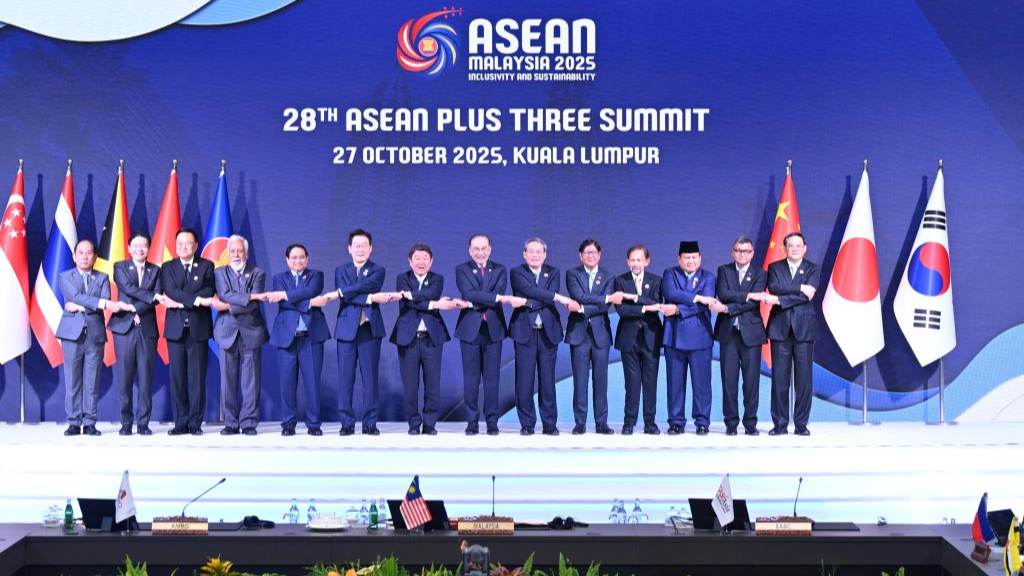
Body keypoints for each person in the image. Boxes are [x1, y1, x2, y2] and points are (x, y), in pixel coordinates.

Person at [320, 229, 398, 436]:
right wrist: (370, 298)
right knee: (346, 379)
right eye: (357, 245)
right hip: (346, 330)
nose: (360, 249)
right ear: (349, 249)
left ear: (371, 248)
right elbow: (349, 298)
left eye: (364, 245)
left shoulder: (378, 270)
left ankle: (370, 423)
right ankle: (346, 422)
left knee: (370, 378)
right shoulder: (341, 270)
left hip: (369, 329)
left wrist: (341, 292)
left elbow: (366, 286)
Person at [390, 244, 467, 435]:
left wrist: (413, 296)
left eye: (425, 258)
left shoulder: (437, 279)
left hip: (432, 337)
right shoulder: (402, 278)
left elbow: (430, 294)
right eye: (417, 258)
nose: (421, 261)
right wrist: (435, 305)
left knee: (432, 383)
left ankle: (430, 424)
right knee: (410, 385)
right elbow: (410, 303)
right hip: (407, 338)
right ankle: (414, 425)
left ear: (431, 261)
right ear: (410, 261)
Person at [454, 234, 526, 436]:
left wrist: (476, 300)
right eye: (476, 249)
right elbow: (469, 293)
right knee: (471, 379)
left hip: (493, 329)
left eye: (483, 248)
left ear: (490, 249)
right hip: (469, 330)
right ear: (470, 251)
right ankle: (472, 422)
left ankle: (492, 422)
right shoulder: (462, 269)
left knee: (492, 378)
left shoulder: (500, 269)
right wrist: (496, 298)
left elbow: (485, 296)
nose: (480, 252)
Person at [56, 239, 128, 436]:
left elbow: (102, 300)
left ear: (95, 257)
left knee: (92, 381)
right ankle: (73, 422)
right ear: (74, 256)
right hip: (71, 335)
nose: (85, 257)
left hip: (95, 335)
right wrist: (98, 304)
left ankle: (89, 422)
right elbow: (80, 297)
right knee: (72, 381)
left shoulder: (103, 277)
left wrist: (79, 306)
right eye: (81, 253)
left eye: (89, 253)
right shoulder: (65, 276)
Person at [508, 237, 579, 436]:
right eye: (531, 251)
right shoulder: (516, 272)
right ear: (524, 254)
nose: (535, 255)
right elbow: (531, 290)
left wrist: (527, 302)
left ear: (545, 254)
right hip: (524, 333)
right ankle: (527, 424)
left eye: (539, 251)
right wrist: (556, 298)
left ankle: (549, 424)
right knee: (524, 380)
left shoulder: (553, 272)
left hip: (548, 332)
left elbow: (536, 295)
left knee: (548, 381)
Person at [752, 232, 819, 436]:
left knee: (804, 380)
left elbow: (808, 296)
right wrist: (799, 287)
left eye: (799, 246)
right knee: (779, 380)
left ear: (805, 248)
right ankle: (779, 424)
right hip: (780, 329)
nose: (795, 249)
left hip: (804, 329)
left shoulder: (813, 268)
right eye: (791, 246)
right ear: (785, 248)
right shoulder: (775, 267)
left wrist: (780, 300)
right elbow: (775, 287)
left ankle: (801, 425)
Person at [266, 243, 330, 436]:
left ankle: (313, 424)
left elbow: (308, 291)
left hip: (311, 337)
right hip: (287, 337)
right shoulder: (279, 278)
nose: (298, 261)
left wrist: (287, 296)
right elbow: (286, 304)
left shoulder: (316, 276)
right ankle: (288, 423)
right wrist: (310, 302)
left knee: (312, 383)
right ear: (287, 260)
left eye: (301, 257)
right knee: (287, 384)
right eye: (293, 258)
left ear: (307, 258)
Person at [661, 240, 724, 435]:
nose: (690, 261)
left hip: (700, 336)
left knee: (702, 383)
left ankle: (702, 421)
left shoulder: (708, 277)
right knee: (674, 383)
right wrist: (697, 297)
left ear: (700, 258)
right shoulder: (670, 274)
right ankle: (676, 422)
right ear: (678, 259)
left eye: (694, 257)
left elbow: (705, 305)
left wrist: (678, 308)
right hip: (674, 336)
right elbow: (671, 293)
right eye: (686, 257)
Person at [564, 239, 626, 435]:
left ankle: (601, 423)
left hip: (600, 335)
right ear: (580, 255)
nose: (590, 256)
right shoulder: (572, 274)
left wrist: (582, 308)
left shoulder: (609, 276)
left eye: (594, 253)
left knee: (601, 381)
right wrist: (606, 298)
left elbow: (604, 306)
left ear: (600, 255)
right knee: (580, 381)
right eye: (587, 253)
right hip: (579, 334)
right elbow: (578, 295)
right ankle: (580, 423)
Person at [160, 228, 216, 436]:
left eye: (188, 243)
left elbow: (209, 291)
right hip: (175, 331)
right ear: (176, 246)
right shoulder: (167, 267)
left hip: (198, 330)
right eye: (180, 243)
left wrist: (181, 302)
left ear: (195, 245)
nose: (184, 246)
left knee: (197, 379)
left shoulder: (207, 265)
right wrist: (197, 301)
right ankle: (180, 423)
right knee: (177, 379)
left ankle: (195, 424)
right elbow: (170, 290)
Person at [212, 235, 268, 436]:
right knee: (227, 381)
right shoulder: (219, 272)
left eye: (240, 251)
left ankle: (249, 423)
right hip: (227, 332)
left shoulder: (257, 273)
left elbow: (253, 304)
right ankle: (230, 423)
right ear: (228, 253)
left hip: (251, 331)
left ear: (246, 253)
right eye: (233, 251)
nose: (236, 255)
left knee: (250, 382)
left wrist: (228, 305)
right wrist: (250, 296)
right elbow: (225, 293)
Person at [108, 231, 161, 436]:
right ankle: (126, 422)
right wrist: (139, 305)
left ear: (149, 248)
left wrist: (135, 309)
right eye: (136, 246)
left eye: (144, 246)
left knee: (146, 378)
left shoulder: (156, 270)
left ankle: (143, 423)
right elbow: (127, 287)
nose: (139, 249)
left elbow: (156, 299)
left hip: (147, 329)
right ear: (129, 248)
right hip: (123, 328)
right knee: (125, 378)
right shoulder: (120, 267)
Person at [713, 237, 767, 436]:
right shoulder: (724, 270)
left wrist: (727, 308)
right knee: (729, 381)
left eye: (746, 251)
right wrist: (748, 295)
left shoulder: (761, 273)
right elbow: (724, 293)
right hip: (728, 333)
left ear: (752, 253)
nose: (742, 254)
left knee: (751, 381)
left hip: (751, 334)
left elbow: (754, 303)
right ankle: (731, 424)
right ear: (732, 252)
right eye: (738, 250)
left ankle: (750, 423)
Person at [613, 245, 664, 435]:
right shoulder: (620, 281)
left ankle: (650, 422)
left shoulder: (656, 281)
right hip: (629, 338)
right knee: (631, 382)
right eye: (632, 260)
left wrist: (633, 297)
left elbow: (657, 304)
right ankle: (629, 422)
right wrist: (643, 308)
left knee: (650, 382)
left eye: (639, 260)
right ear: (627, 262)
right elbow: (622, 310)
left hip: (651, 337)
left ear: (647, 261)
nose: (636, 263)